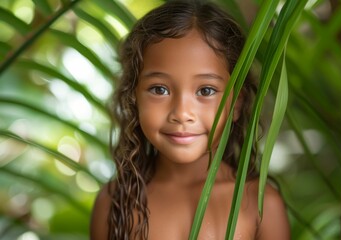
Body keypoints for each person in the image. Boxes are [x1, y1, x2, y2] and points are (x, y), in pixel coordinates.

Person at [90, 1, 290, 239]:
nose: (182, 113)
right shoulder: (113, 202)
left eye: (205, 91)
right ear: (134, 98)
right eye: (159, 89)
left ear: (236, 103)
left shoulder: (262, 205)